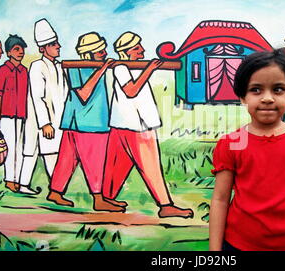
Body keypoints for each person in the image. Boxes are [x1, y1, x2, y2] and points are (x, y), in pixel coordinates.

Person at [209, 49, 285, 251]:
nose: (267, 98)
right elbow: (220, 199)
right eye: (256, 90)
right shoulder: (230, 143)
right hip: (238, 245)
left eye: (278, 89)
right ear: (243, 97)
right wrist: (214, 252)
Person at [102, 31, 194, 218]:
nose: (142, 50)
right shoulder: (121, 67)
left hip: (127, 124)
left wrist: (147, 69)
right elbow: (131, 90)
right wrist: (149, 69)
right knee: (148, 165)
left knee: (118, 164)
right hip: (135, 125)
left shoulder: (134, 66)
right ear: (126, 52)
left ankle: (107, 198)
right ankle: (165, 205)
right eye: (137, 48)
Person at [46, 32, 123, 212]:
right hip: (89, 123)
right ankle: (98, 199)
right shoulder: (77, 68)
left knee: (68, 159)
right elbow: (83, 94)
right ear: (89, 54)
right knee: (94, 162)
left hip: (78, 121)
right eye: (99, 51)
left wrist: (102, 68)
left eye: (103, 50)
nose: (104, 53)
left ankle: (55, 192)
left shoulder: (90, 67)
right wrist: (102, 69)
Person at [18, 19, 68, 194]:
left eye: (57, 43)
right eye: (53, 44)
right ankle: (54, 189)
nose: (58, 46)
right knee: (39, 152)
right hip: (40, 119)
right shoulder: (37, 66)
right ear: (43, 48)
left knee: (49, 150)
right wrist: (45, 122)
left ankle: (54, 188)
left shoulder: (60, 67)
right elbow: (38, 97)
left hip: (57, 118)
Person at [0, 35, 28, 192]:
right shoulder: (4, 70)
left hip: (21, 116)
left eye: (22, 49)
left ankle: (17, 180)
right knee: (10, 148)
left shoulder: (24, 71)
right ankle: (9, 180)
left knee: (20, 148)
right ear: (8, 52)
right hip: (6, 116)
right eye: (16, 49)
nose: (20, 52)